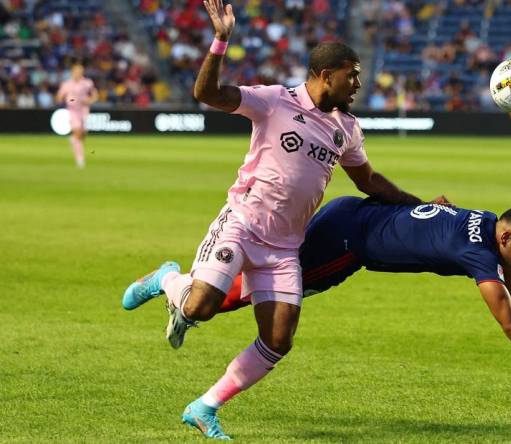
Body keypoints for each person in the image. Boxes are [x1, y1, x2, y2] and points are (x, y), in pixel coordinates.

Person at [120, 1, 446, 440]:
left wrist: (420, 205)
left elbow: (369, 181)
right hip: (242, 221)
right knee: (199, 307)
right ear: (326, 75)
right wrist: (221, 41)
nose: (358, 84)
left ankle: (204, 406)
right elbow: (208, 94)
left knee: (278, 339)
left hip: (283, 247)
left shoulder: (346, 128)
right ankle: (166, 278)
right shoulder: (274, 101)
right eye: (352, 75)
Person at [170, 196, 511, 384]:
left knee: (261, 272)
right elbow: (510, 320)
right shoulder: (479, 253)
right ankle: (175, 286)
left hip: (352, 212)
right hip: (348, 244)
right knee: (265, 293)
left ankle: (187, 285)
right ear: (507, 239)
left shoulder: (490, 222)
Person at [55, 63, 97, 168]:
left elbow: (95, 95)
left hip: (84, 110)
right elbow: (59, 97)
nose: (78, 73)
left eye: (80, 71)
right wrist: (69, 99)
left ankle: (73, 140)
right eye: (76, 71)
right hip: (73, 111)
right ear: (72, 72)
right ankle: (80, 159)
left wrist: (89, 100)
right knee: (78, 131)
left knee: (83, 134)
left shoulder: (87, 83)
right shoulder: (67, 84)